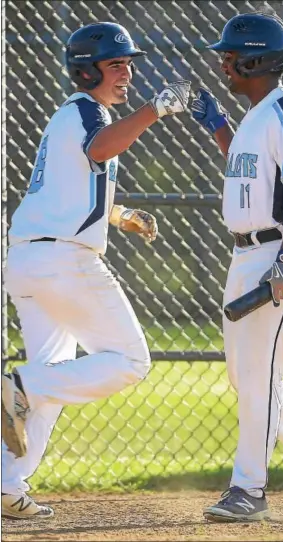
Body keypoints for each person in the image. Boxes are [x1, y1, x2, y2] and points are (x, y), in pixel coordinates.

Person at [2, 22, 190, 519]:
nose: (127, 72)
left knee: (54, 378)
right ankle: (20, 385)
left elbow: (70, 184)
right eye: (115, 64)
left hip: (30, 259)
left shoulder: (74, 117)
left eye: (129, 63)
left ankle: (6, 483)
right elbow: (101, 149)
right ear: (85, 71)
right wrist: (155, 110)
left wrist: (119, 215)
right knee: (131, 361)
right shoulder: (86, 111)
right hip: (64, 261)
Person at [191, 12, 283, 522]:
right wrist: (217, 125)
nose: (223, 62)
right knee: (245, 377)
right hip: (246, 253)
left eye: (230, 55)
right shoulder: (255, 114)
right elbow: (247, 174)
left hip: (280, 253)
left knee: (261, 370)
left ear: (256, 58)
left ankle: (249, 489)